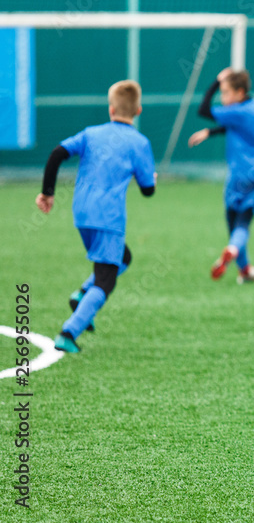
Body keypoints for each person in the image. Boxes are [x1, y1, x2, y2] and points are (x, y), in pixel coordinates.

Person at [36, 79, 156, 353]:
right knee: (106, 279)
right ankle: (68, 332)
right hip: (108, 218)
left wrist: (47, 193)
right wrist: (153, 180)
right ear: (138, 111)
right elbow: (148, 190)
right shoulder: (139, 142)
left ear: (111, 109)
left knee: (122, 257)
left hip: (81, 212)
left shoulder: (91, 133)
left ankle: (81, 295)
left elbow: (57, 153)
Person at [189, 67, 254, 284]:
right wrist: (210, 132)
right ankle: (243, 266)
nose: (223, 97)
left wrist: (216, 81)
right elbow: (237, 127)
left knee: (234, 220)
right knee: (245, 219)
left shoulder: (236, 112)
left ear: (239, 93)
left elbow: (203, 110)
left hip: (241, 174)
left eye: (226, 92)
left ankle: (236, 252)